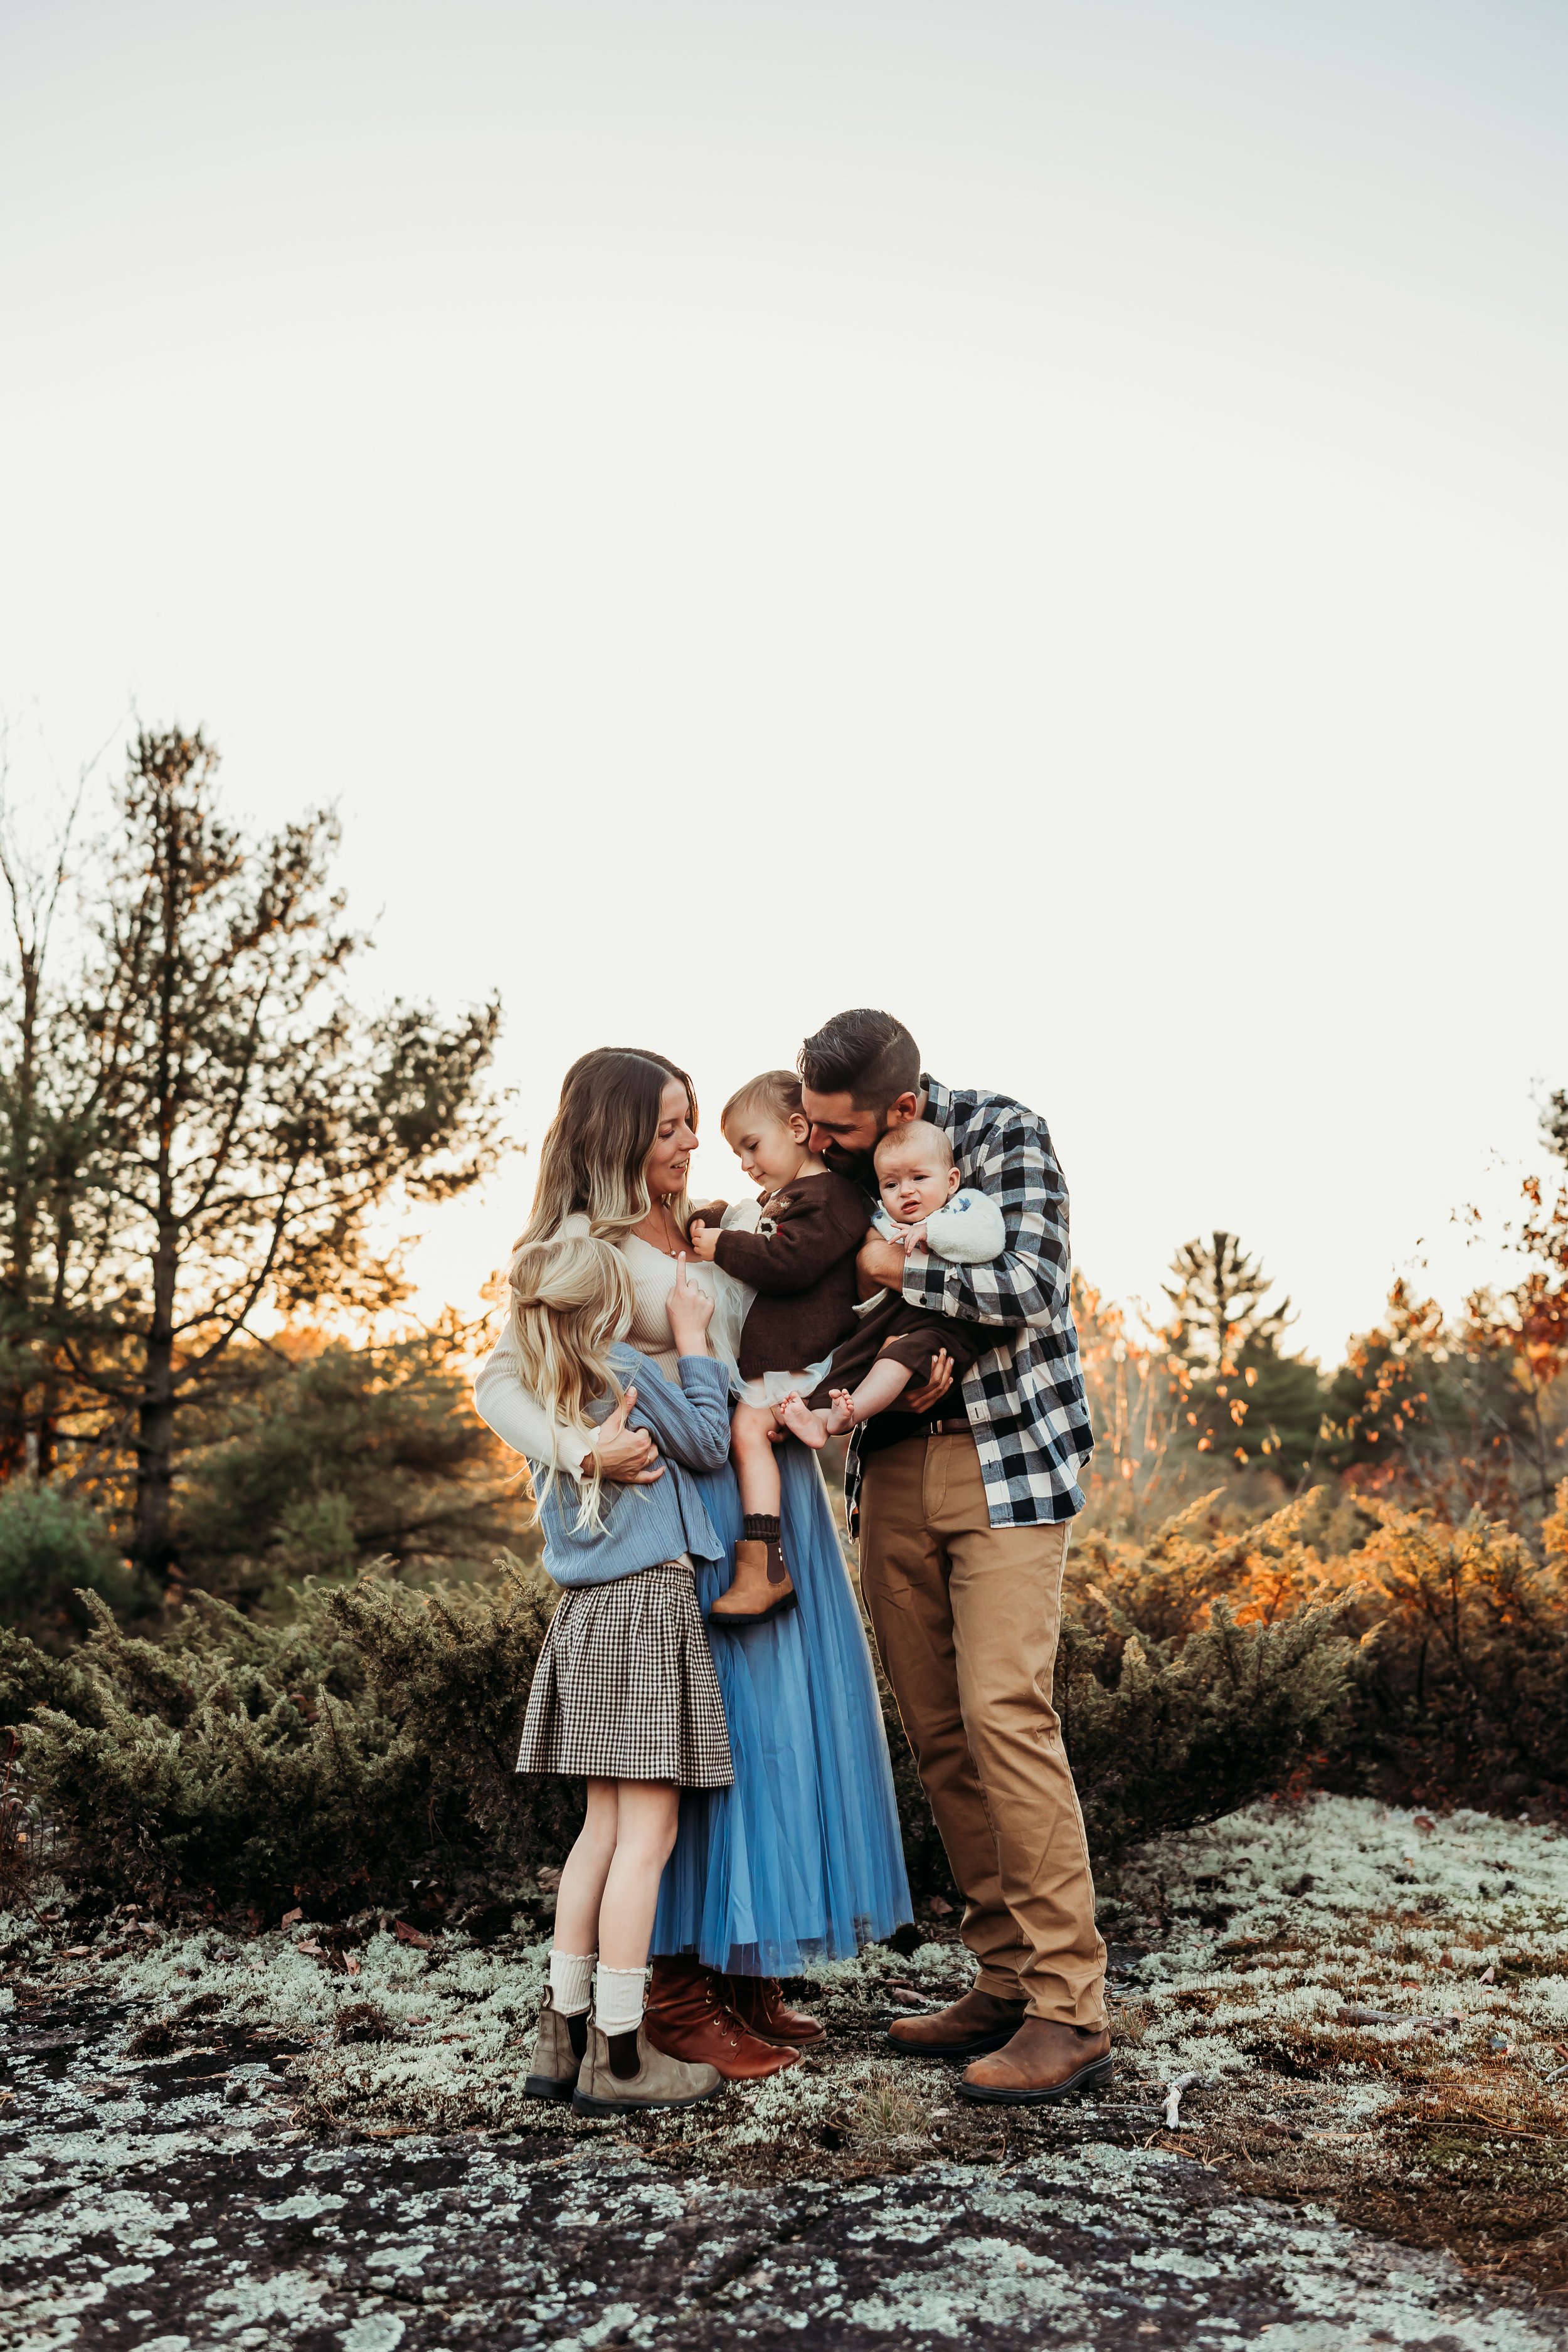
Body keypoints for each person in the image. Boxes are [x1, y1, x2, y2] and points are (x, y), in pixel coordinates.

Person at [474, 1047, 913, 2079]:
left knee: (773, 1740)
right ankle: (671, 1989)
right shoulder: (590, 1247)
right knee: (690, 1763)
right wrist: (582, 1450)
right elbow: (501, 1384)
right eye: (669, 1126)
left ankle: (746, 1963)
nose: (686, 1143)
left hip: (763, 1496)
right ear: (621, 1136)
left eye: (690, 1124)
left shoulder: (725, 1223)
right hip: (676, 1518)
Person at [797, 1007, 1110, 2107]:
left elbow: (1029, 1287)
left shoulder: (1007, 1135)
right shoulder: (828, 1155)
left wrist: (895, 1264)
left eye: (839, 1126)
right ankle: (1005, 1973)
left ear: (906, 1110)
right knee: (936, 1725)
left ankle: (1071, 2006)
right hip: (887, 1464)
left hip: (1006, 1463)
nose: (821, 1141)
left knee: (1003, 1711)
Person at [510, 1227, 735, 2116]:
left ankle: (559, 2039)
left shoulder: (541, 1388)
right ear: (606, 1304)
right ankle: (624, 2057)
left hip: (584, 1618)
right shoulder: (621, 1374)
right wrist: (691, 1339)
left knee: (600, 1833)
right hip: (647, 1610)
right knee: (648, 1837)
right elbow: (712, 1442)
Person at [686, 1068, 869, 1623]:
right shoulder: (790, 1197)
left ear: (796, 1128)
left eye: (752, 1145)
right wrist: (714, 1218)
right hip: (786, 1364)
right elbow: (755, 1223)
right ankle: (764, 1560)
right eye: (739, 1153)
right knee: (746, 1429)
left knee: (747, 1429)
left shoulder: (831, 1197)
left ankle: (765, 1563)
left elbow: (789, 1261)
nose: (746, 1163)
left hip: (809, 1363)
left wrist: (722, 1246)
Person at [774, 1118, 1006, 1444]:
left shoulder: (964, 1207)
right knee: (850, 1355)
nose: (906, 1191)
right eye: (891, 1185)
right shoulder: (885, 1221)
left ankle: (852, 1415)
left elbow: (991, 1239)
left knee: (900, 1353)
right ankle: (820, 1418)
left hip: (943, 1325)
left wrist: (932, 1232)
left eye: (919, 1178)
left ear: (951, 1180)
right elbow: (867, 1271)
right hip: (891, 1315)